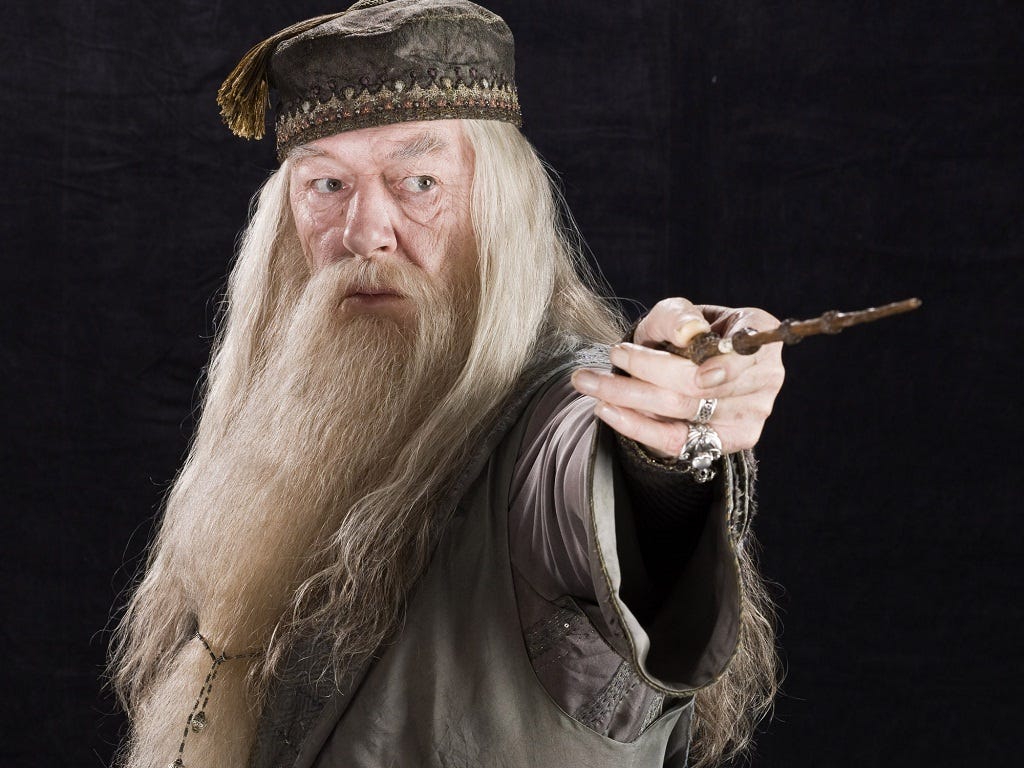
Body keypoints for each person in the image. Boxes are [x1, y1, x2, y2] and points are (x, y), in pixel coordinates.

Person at [109, 1, 785, 766]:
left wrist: (666, 444)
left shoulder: (560, 416)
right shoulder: (297, 429)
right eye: (327, 184)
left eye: (419, 181)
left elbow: (597, 482)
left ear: (500, 209)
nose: (364, 232)